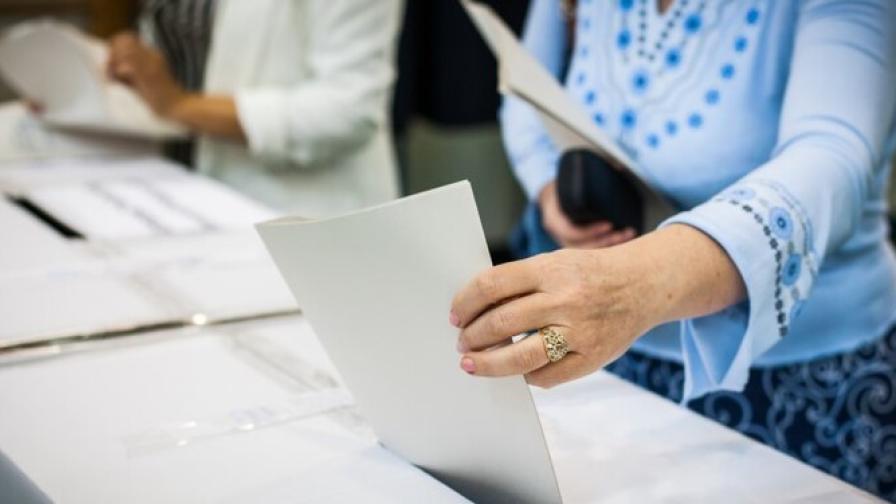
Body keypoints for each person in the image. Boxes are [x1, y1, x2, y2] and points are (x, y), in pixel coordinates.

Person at [451, 0, 896, 499]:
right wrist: (550, 191)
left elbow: (833, 154)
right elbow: (524, 87)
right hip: (612, 360)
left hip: (800, 381)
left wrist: (634, 284)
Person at [105, 0, 403, 217]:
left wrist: (178, 104)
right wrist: (138, 60)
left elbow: (347, 111)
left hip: (299, 212)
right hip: (178, 192)